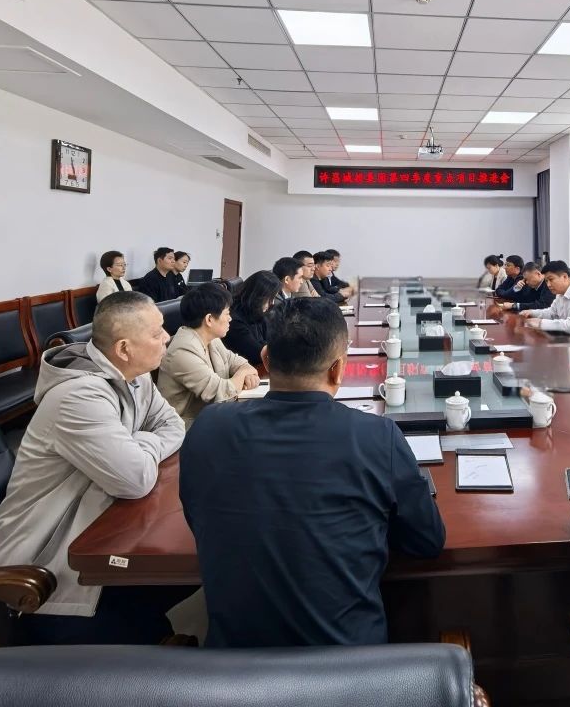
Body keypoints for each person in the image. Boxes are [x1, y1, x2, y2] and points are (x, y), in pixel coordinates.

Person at [181, 297, 445, 648]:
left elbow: (197, 517)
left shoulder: (208, 427)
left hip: (234, 667)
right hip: (349, 669)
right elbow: (427, 541)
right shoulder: (377, 436)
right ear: (338, 370)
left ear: (266, 360)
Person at [0, 292, 187, 643]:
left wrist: (135, 446)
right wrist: (141, 449)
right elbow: (135, 479)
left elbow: (174, 426)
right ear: (123, 348)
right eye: (156, 333)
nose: (167, 337)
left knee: (185, 574)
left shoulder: (135, 378)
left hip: (90, 540)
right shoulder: (78, 397)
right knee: (178, 583)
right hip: (35, 583)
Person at [159, 284, 260, 427]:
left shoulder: (211, 339)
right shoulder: (183, 350)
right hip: (186, 427)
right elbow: (220, 393)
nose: (230, 319)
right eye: (227, 313)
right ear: (209, 320)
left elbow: (237, 362)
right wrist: (243, 373)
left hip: (212, 416)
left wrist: (244, 370)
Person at [225, 270, 282, 368]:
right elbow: (258, 354)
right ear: (258, 296)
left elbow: (271, 340)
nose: (272, 303)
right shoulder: (234, 320)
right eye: (270, 298)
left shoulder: (257, 313)